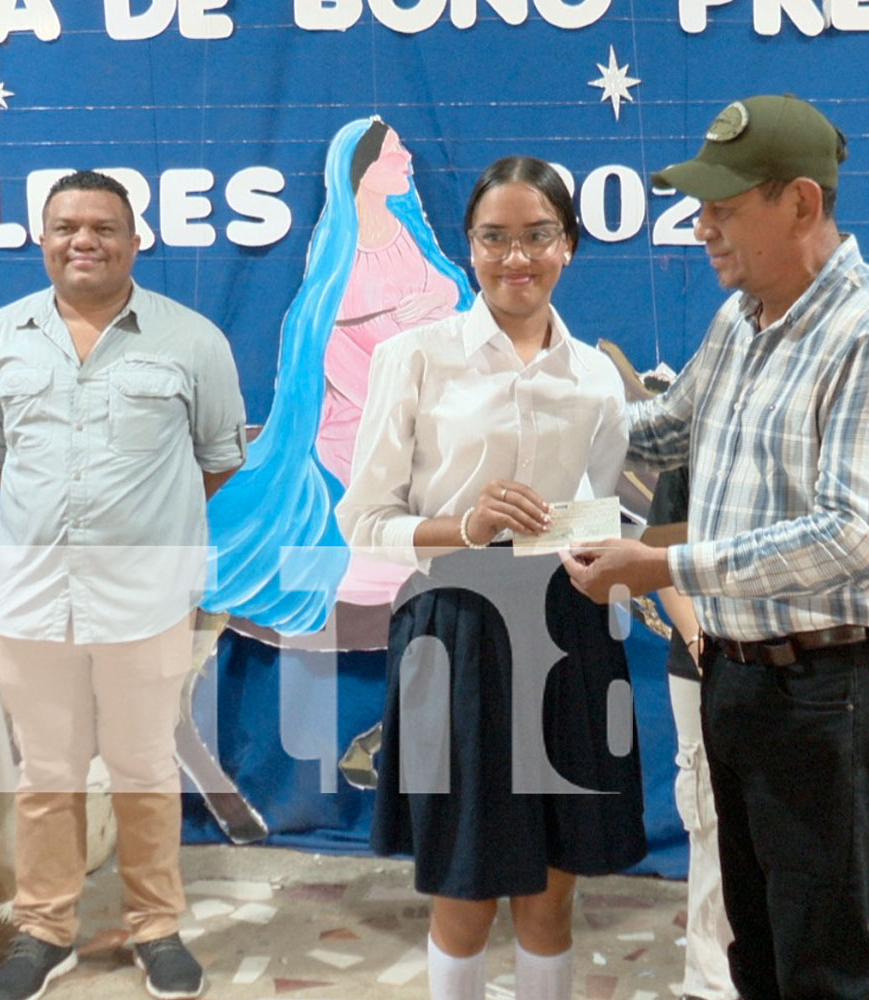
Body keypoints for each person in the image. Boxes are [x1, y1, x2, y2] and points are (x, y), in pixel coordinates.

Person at [561, 94, 869, 1000]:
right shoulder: (743, 317)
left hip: (833, 695)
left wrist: (664, 567)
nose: (703, 229)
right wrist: (536, 419)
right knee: (758, 951)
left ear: (803, 205)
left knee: (824, 965)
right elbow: (665, 429)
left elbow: (854, 538)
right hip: (740, 679)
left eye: (725, 209)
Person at [335, 156, 645, 1000]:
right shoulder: (417, 357)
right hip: (457, 629)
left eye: (538, 236)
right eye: (494, 239)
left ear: (569, 245)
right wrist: (464, 526)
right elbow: (362, 520)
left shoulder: (593, 378)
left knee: (552, 886)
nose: (517, 258)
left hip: (568, 629)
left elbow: (609, 505)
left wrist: (610, 550)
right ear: (468, 249)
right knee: (465, 884)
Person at [0, 170, 247, 1000]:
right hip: (31, 601)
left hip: (145, 606)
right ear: (42, 239)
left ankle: (156, 927)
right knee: (45, 778)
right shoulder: (0, 335)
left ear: (135, 239)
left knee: (144, 773)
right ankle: (43, 931)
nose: (83, 240)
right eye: (66, 226)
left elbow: (219, 460)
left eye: (103, 227)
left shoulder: (192, 340)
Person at [205, 117, 471, 634]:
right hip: (369, 408)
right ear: (363, 170)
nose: (408, 159)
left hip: (435, 395)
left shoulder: (407, 228)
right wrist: (396, 390)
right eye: (394, 152)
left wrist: (434, 301)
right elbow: (330, 342)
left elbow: (451, 290)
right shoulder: (340, 250)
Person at [646, 467, 738, 1000]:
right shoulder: (686, 448)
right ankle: (710, 982)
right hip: (702, 660)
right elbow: (661, 560)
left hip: (785, 659)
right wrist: (700, 641)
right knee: (710, 822)